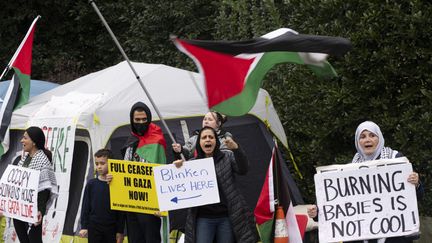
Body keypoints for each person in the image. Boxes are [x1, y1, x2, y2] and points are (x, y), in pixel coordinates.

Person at [307, 121, 423, 243]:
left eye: (372, 135)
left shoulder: (396, 159)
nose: (367, 140)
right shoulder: (350, 169)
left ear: (380, 138)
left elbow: (417, 196)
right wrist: (316, 213)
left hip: (394, 238)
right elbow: (337, 205)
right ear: (358, 142)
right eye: (362, 137)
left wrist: (416, 183)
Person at [176, 126, 259, 243]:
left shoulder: (227, 156)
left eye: (211, 137)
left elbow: (243, 169)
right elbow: (180, 189)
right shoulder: (192, 164)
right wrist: (178, 167)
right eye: (204, 137)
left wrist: (236, 149)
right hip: (203, 218)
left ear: (216, 141)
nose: (208, 140)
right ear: (199, 143)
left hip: (226, 216)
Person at [116, 101, 168, 243]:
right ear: (132, 121)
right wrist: (113, 178)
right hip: (132, 202)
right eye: (137, 120)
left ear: (149, 119)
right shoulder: (131, 141)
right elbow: (124, 170)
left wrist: (160, 204)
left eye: (144, 119)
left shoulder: (157, 140)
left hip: (151, 204)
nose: (140, 123)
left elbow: (163, 172)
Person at [13, 126, 58, 243]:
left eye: (25, 138)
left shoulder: (43, 161)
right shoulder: (23, 160)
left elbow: (45, 190)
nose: (21, 140)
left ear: (33, 141)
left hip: (34, 211)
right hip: (20, 210)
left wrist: (40, 211)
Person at [79, 149, 125, 243]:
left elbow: (121, 211)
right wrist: (84, 226)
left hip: (111, 228)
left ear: (111, 163)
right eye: (97, 164)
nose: (99, 167)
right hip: (94, 227)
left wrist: (120, 231)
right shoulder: (91, 184)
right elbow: (85, 207)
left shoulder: (117, 185)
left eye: (102, 163)